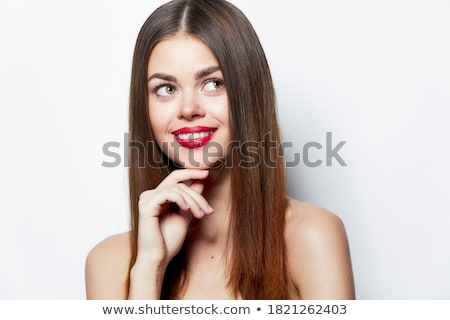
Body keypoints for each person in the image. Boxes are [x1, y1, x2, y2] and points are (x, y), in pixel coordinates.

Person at [85, 0, 355, 300]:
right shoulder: (109, 262)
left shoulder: (312, 237)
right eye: (167, 89)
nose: (188, 109)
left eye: (213, 83)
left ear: (247, 94)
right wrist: (150, 269)